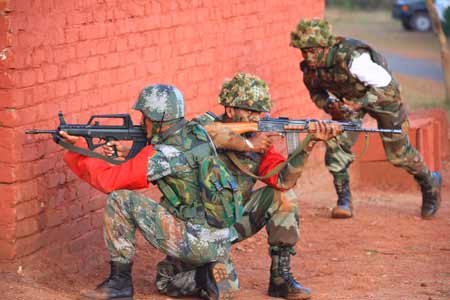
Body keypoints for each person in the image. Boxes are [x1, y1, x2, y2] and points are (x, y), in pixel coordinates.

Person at [141, 73, 342, 300]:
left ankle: (280, 278)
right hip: (194, 225)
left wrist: (309, 143)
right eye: (250, 111)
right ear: (229, 110)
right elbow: (205, 133)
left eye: (260, 112)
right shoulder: (200, 127)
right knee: (168, 282)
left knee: (283, 197)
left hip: (230, 220)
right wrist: (247, 144)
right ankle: (204, 274)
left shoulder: (260, 142)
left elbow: (284, 181)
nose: (256, 117)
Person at [60, 84, 242, 300]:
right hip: (219, 238)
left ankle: (119, 284)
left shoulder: (166, 154)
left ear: (157, 120)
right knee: (165, 281)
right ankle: (208, 275)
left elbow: (108, 181)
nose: (140, 122)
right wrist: (130, 151)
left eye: (144, 116)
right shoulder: (196, 132)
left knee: (121, 199)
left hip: (196, 240)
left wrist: (78, 148)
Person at [290, 19, 442, 219]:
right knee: (336, 143)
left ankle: (430, 184)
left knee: (399, 154)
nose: (308, 56)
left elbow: (390, 88)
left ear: (326, 47)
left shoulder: (353, 58)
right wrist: (330, 107)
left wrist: (360, 103)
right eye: (303, 51)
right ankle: (344, 200)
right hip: (351, 103)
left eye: (312, 50)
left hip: (384, 100)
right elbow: (317, 94)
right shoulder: (310, 69)